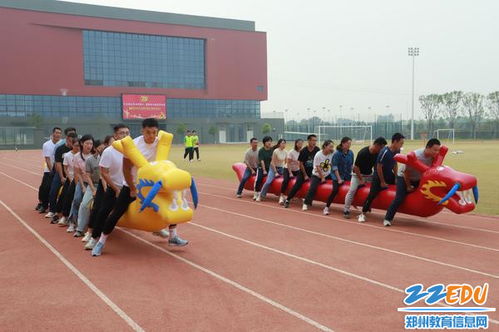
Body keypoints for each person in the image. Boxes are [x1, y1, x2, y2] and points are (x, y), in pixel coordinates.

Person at [92, 118, 189, 257]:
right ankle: (101, 242)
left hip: (153, 184)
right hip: (133, 184)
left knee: (172, 202)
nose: (151, 136)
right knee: (116, 213)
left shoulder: (159, 143)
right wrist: (132, 188)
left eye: (154, 132)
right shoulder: (134, 145)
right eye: (148, 132)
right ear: (142, 131)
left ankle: (173, 236)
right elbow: (125, 169)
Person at [86, 125, 130, 250]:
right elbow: (104, 172)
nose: (125, 135)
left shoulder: (133, 150)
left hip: (129, 187)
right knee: (103, 211)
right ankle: (94, 239)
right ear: (115, 136)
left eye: (127, 133)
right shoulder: (109, 151)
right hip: (114, 186)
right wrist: (116, 189)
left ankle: (159, 229)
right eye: (122, 133)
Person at [382, 138, 441, 226]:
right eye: (435, 150)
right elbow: (406, 172)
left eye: (438, 150)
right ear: (428, 147)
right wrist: (408, 186)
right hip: (403, 176)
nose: (436, 152)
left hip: (418, 178)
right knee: (399, 198)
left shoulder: (434, 157)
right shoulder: (416, 156)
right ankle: (387, 218)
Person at [358, 133, 405, 223]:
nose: (402, 145)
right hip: (379, 176)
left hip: (389, 174)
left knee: (400, 181)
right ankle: (362, 214)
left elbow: (395, 163)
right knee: (372, 194)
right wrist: (382, 182)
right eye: (401, 143)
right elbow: (379, 167)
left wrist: (395, 177)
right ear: (395, 141)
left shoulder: (397, 150)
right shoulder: (385, 151)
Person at [343, 137, 387, 219]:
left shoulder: (378, 154)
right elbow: (356, 167)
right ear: (377, 145)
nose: (381, 150)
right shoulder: (363, 152)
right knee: (352, 190)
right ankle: (346, 210)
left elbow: (376, 166)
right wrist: (361, 179)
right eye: (381, 148)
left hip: (369, 175)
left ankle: (367, 206)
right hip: (357, 174)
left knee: (372, 190)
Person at [82, 135, 114, 243]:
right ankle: (90, 232)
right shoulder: (104, 156)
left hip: (118, 184)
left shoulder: (122, 153)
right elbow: (103, 176)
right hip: (104, 184)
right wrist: (106, 189)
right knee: (97, 207)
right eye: (111, 143)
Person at [45, 131, 77, 219]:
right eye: (70, 141)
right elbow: (58, 164)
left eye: (73, 142)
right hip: (60, 173)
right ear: (66, 139)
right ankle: (52, 210)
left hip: (72, 174)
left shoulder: (76, 149)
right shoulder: (60, 149)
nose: (72, 144)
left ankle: (64, 212)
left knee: (66, 193)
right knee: (53, 191)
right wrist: (62, 176)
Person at [66, 135, 94, 233]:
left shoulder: (94, 156)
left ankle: (87, 224)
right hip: (82, 182)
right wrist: (82, 186)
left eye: (91, 143)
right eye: (87, 143)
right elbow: (77, 173)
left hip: (93, 183)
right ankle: (73, 222)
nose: (89, 146)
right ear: (82, 144)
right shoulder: (77, 157)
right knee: (77, 199)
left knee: (88, 203)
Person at [283, 135, 320, 208]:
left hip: (313, 172)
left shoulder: (317, 150)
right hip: (303, 172)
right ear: (309, 141)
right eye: (313, 140)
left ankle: (308, 201)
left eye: (315, 140)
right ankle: (288, 200)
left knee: (313, 186)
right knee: (297, 185)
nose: (314, 142)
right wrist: (305, 175)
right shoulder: (304, 151)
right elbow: (301, 164)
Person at [324, 137, 354, 216]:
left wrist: (354, 174)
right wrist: (339, 179)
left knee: (353, 189)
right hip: (337, 175)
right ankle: (326, 207)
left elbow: (351, 165)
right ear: (343, 143)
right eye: (348, 143)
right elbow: (334, 167)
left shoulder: (351, 153)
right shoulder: (337, 154)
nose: (349, 145)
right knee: (335, 190)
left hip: (347, 175)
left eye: (350, 144)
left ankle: (347, 208)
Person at [303, 140, 335, 211]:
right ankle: (305, 203)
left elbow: (331, 163)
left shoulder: (331, 153)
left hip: (327, 174)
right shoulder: (318, 154)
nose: (332, 148)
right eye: (330, 146)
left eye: (332, 147)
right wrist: (322, 177)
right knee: (312, 188)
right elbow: (317, 167)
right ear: (325, 146)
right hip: (317, 174)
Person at [36, 127, 62, 213]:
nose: (58, 134)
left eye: (59, 133)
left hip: (60, 169)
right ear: (53, 133)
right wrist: (52, 171)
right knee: (45, 187)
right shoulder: (46, 144)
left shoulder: (62, 144)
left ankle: (55, 206)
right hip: (49, 170)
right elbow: (47, 159)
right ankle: (44, 205)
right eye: (56, 132)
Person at [55, 138, 80, 225]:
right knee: (66, 195)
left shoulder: (82, 155)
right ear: (72, 145)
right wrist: (69, 178)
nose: (78, 147)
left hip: (80, 179)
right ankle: (63, 216)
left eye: (79, 146)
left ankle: (76, 218)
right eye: (76, 145)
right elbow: (65, 168)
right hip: (70, 178)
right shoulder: (67, 155)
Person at [279, 139, 303, 205]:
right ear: (296, 144)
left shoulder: (302, 152)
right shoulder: (291, 152)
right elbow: (288, 163)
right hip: (288, 169)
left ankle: (298, 196)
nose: (300, 145)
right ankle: (281, 195)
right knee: (286, 180)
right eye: (299, 143)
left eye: (301, 143)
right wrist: (290, 173)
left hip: (297, 169)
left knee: (301, 181)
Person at [253, 136, 273, 201]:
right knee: (259, 178)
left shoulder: (272, 150)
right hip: (261, 167)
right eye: (267, 141)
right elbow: (262, 161)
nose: (269, 143)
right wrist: (264, 170)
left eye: (270, 141)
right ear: (264, 143)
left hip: (270, 167)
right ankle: (256, 192)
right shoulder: (261, 150)